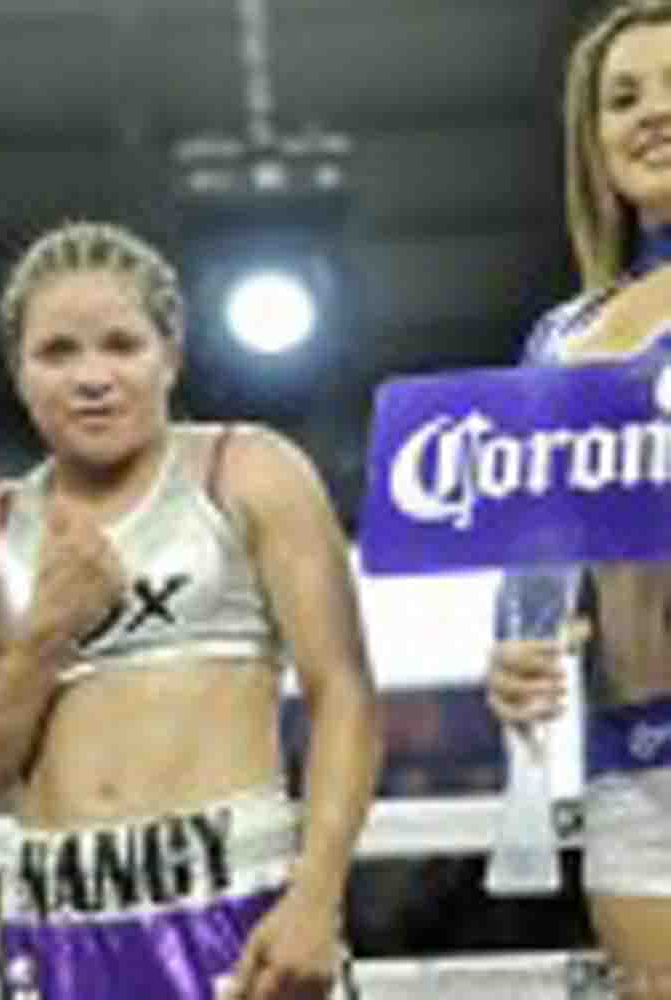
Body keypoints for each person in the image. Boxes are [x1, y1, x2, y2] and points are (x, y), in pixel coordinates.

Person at [0, 220, 381, 1000]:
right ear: (18, 373)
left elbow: (344, 694)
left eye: (121, 345)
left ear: (170, 354)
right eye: (58, 352)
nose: (92, 377)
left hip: (239, 904)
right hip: (56, 924)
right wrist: (47, 633)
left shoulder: (250, 472)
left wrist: (317, 898)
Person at [486, 2, 671, 996]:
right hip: (629, 757)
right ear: (591, 141)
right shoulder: (559, 339)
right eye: (623, 97)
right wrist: (515, 656)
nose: (652, 113)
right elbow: (536, 560)